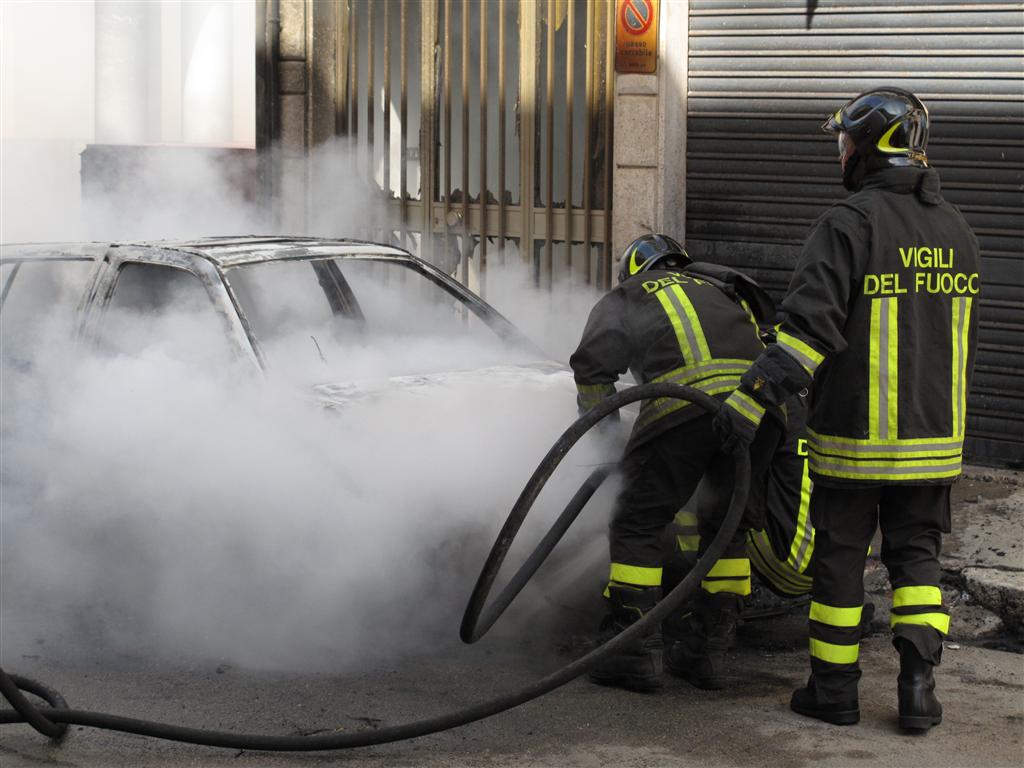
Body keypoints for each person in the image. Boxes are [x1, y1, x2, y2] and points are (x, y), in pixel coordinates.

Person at [712, 87, 980, 731]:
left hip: (855, 440)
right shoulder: (957, 229)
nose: (842, 152)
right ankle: (917, 688)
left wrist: (752, 399)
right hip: (933, 443)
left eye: (846, 140)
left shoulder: (849, 224)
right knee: (917, 560)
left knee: (838, 563)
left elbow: (807, 332)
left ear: (872, 147)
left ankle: (834, 692)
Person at [570, 233, 783, 692]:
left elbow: (591, 367)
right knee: (726, 526)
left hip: (685, 406)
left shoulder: (629, 293)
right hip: (758, 414)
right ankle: (706, 652)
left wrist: (605, 440)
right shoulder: (721, 287)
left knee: (637, 522)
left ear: (633, 270)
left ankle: (630, 650)